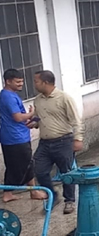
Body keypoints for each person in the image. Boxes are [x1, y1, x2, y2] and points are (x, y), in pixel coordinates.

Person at [32, 70, 83, 214]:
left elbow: (76, 121)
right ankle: (53, 195)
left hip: (63, 141)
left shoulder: (64, 98)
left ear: (46, 82)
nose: (34, 84)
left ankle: (70, 201)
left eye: (36, 81)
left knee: (67, 172)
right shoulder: (38, 100)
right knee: (39, 170)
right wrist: (33, 123)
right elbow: (38, 117)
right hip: (45, 143)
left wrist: (78, 138)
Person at [0, 69, 46, 202]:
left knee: (21, 164)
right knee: (23, 165)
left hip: (17, 135)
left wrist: (32, 120)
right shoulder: (8, 96)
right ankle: (13, 193)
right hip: (15, 138)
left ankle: (29, 191)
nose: (21, 84)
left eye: (22, 81)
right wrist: (32, 114)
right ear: (8, 81)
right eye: (17, 82)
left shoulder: (10, 95)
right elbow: (18, 117)